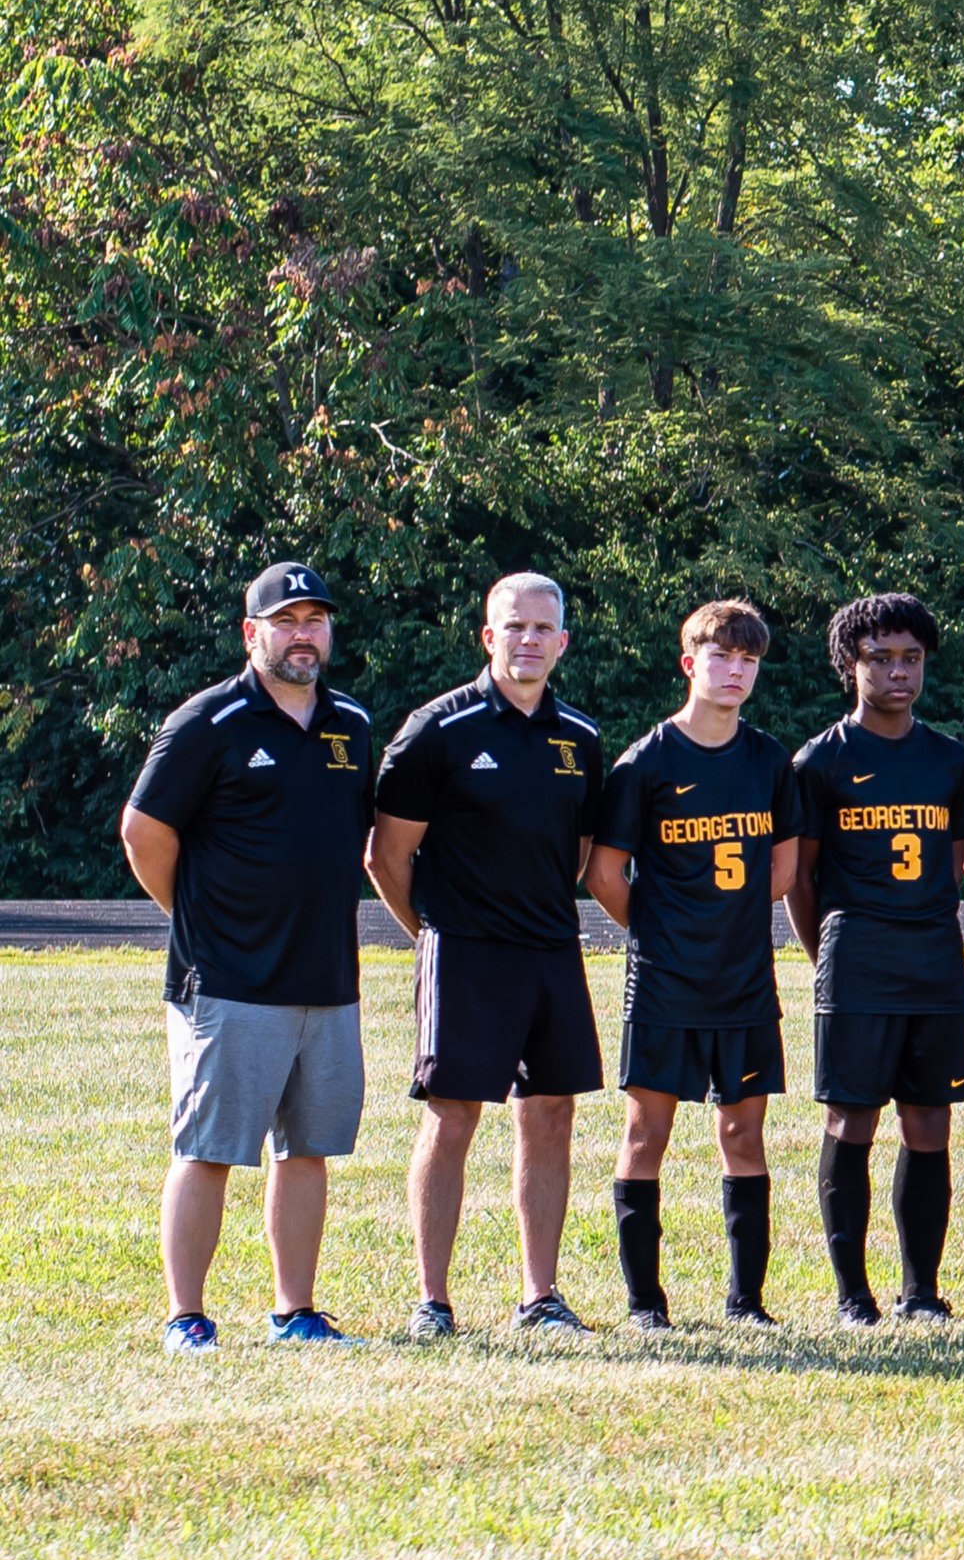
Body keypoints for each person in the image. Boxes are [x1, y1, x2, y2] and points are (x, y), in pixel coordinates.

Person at [119, 562, 377, 1352]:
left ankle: (295, 1310)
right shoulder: (208, 722)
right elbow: (143, 832)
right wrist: (198, 917)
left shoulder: (351, 724)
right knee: (208, 1150)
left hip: (327, 977)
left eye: (316, 619)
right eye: (286, 619)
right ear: (251, 632)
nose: (304, 634)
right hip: (228, 979)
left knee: (306, 1150)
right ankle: (185, 1316)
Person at [369, 571, 604, 1337]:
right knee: (452, 1116)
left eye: (543, 629)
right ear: (488, 635)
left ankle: (541, 1296)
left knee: (551, 1114)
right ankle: (432, 1301)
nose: (528, 640)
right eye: (514, 627)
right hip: (465, 954)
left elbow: (580, 851)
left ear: (562, 642)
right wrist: (435, 934)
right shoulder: (438, 729)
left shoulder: (581, 739)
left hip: (550, 953)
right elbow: (387, 857)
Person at [588, 600, 804, 1330]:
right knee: (647, 1135)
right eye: (721, 656)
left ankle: (747, 1301)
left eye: (748, 660)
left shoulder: (771, 760)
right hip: (666, 983)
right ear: (690, 663)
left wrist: (723, 916)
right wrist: (663, 929)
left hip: (743, 981)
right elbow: (606, 873)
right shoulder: (644, 762)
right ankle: (646, 1304)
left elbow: (781, 870)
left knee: (744, 1136)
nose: (736, 670)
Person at [785, 594, 964, 1326]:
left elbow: (954, 861)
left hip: (933, 958)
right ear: (850, 666)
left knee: (930, 1123)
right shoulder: (820, 759)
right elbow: (802, 879)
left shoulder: (947, 757)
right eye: (880, 658)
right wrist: (828, 955)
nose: (898, 672)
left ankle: (921, 1291)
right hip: (857, 960)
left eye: (911, 659)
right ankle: (851, 1295)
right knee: (851, 1121)